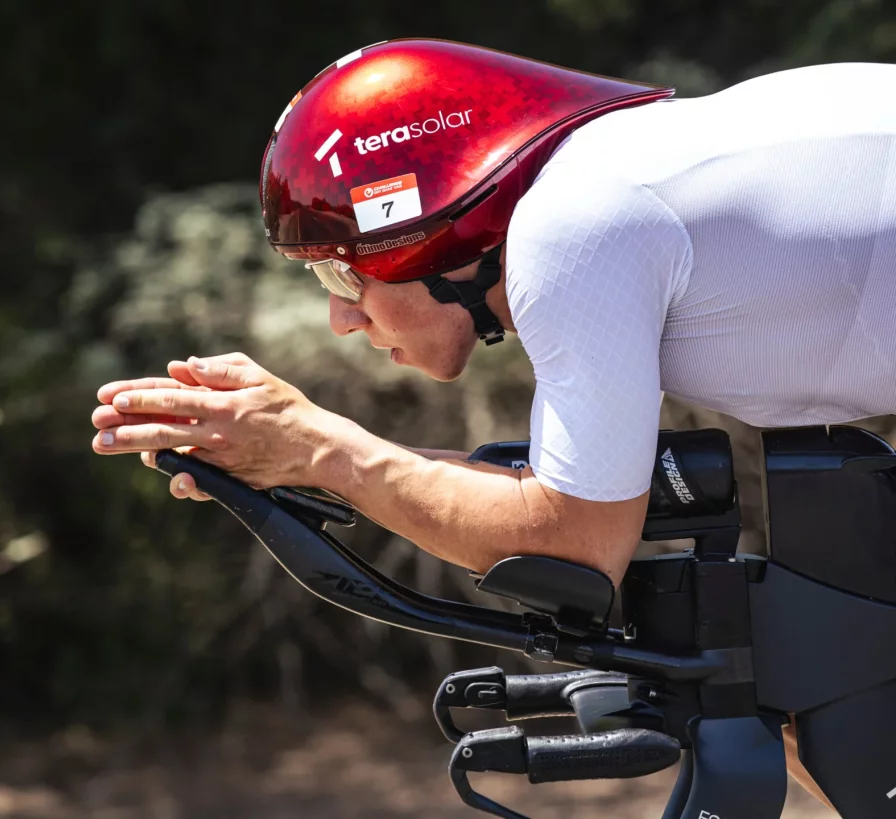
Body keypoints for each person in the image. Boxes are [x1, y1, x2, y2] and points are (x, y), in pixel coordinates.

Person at [90, 39, 896, 807]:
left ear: (432, 232)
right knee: (807, 687)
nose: (340, 317)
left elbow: (574, 544)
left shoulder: (576, 227)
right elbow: (564, 501)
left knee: (810, 686)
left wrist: (320, 447)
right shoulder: (607, 186)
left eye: (343, 269)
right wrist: (293, 460)